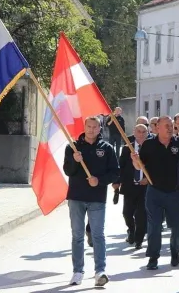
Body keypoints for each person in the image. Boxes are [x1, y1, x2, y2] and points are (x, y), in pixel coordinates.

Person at [63, 116, 119, 287]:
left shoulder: (107, 148)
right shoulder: (73, 147)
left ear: (100, 128)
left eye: (95, 127)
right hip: (76, 197)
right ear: (84, 126)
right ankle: (77, 271)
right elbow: (67, 170)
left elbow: (115, 172)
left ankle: (100, 271)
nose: (92, 129)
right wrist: (75, 160)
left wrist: (99, 181)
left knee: (98, 235)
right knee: (77, 235)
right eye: (89, 126)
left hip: (97, 198)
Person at [131, 116, 179, 270]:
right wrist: (135, 161)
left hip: (175, 192)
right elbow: (138, 166)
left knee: (176, 226)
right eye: (166, 125)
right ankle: (153, 257)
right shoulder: (149, 144)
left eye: (171, 125)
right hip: (154, 191)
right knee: (154, 225)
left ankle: (175, 251)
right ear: (157, 128)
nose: (169, 128)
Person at [117, 124, 149, 250]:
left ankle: (139, 239)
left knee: (141, 215)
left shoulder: (151, 147)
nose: (141, 134)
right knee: (127, 213)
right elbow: (121, 166)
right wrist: (117, 181)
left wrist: (147, 179)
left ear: (147, 133)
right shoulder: (126, 148)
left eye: (144, 132)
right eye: (138, 132)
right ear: (134, 133)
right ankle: (131, 229)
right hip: (130, 186)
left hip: (144, 187)